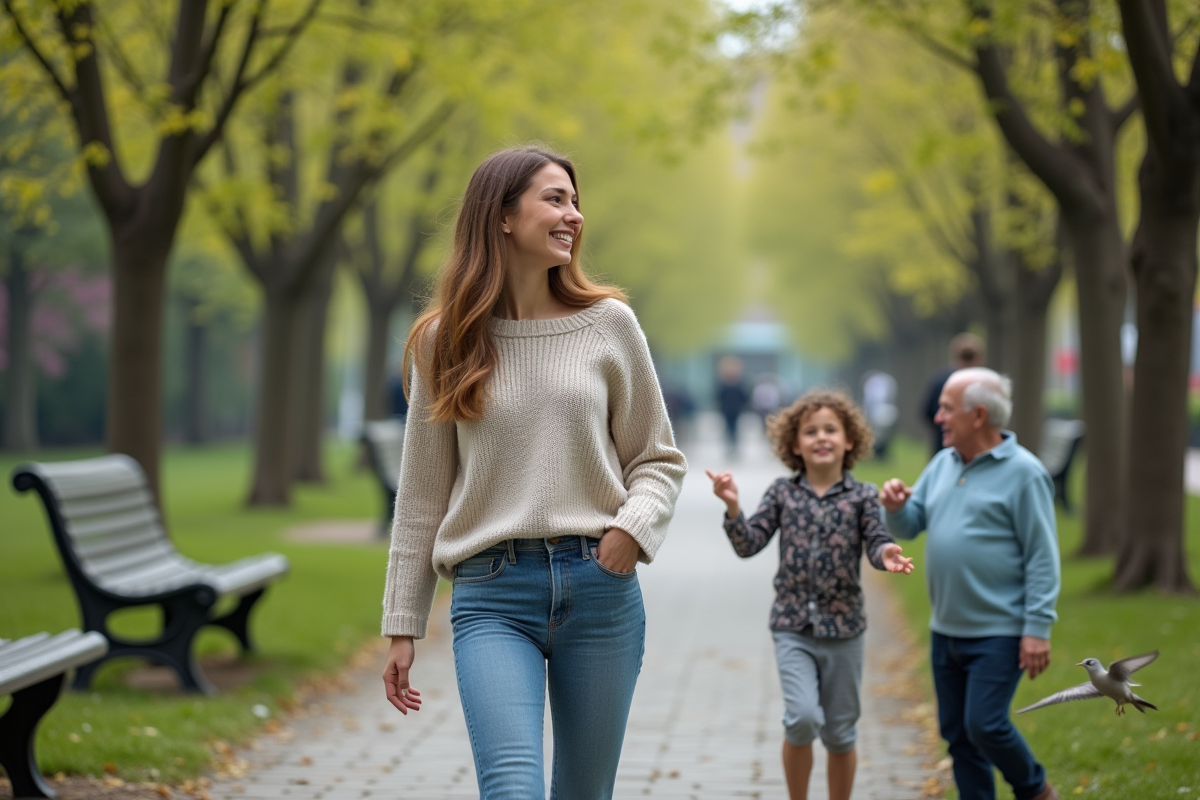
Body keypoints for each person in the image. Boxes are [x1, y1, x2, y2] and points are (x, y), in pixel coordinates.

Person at [379, 146, 687, 800]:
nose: (573, 215)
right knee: (511, 787)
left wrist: (629, 534)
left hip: (600, 588)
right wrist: (403, 624)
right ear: (502, 217)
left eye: (575, 201)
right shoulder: (445, 341)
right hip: (492, 595)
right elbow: (422, 497)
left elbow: (656, 459)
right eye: (555, 199)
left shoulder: (609, 325)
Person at [705, 390, 914, 800]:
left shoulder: (863, 497)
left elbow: (876, 541)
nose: (821, 438)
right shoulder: (782, 493)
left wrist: (887, 553)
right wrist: (732, 508)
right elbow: (749, 544)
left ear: (849, 440)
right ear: (795, 444)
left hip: (845, 628)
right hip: (792, 626)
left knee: (839, 732)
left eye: (831, 430)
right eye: (811, 431)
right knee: (801, 718)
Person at [881, 368, 1060, 800]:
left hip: (998, 631)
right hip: (947, 629)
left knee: (985, 724)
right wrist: (894, 507)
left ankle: (1035, 790)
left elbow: (1042, 556)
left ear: (978, 415)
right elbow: (911, 525)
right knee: (959, 736)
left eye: (946, 408)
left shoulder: (1024, 473)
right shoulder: (944, 463)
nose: (937, 416)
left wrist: (1037, 629)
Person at [923, 332, 986, 457]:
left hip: (942, 445)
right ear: (979, 358)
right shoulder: (987, 384)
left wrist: (943, 428)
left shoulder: (940, 380)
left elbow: (927, 411)